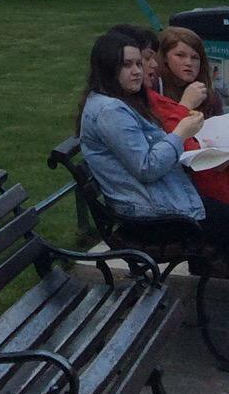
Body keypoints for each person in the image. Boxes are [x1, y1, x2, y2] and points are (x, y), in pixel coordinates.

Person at [78, 29, 229, 251]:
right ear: (108, 67)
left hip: (165, 200)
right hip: (153, 216)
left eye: (139, 63)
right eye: (127, 65)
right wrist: (180, 132)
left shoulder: (122, 100)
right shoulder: (110, 111)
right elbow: (147, 167)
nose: (137, 71)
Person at [150, 25, 229, 209]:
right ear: (165, 59)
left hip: (215, 168)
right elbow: (166, 141)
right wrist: (185, 106)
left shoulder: (208, 95)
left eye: (195, 57)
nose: (189, 63)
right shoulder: (156, 91)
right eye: (180, 55)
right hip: (186, 183)